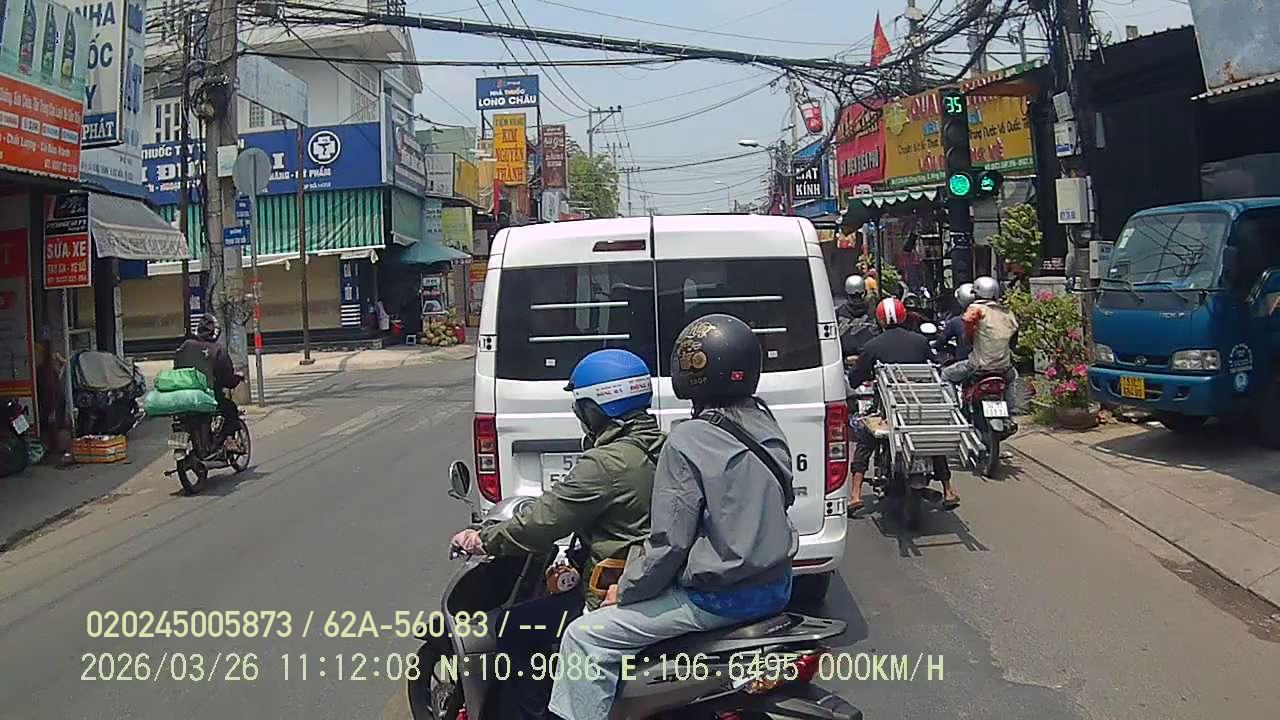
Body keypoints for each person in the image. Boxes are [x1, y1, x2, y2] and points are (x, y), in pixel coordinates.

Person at [548, 314, 797, 720]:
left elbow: (669, 544)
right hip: (777, 586)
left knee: (583, 636)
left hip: (720, 598)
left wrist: (624, 590)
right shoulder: (764, 422)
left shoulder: (686, 439)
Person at [449, 348, 663, 720]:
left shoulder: (606, 463)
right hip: (651, 581)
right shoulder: (661, 445)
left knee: (513, 627)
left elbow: (542, 523)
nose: (579, 415)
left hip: (611, 589)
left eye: (581, 406)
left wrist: (481, 538)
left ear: (597, 409)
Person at [846, 298, 958, 512]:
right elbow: (934, 364)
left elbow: (854, 379)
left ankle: (855, 495)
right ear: (904, 316)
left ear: (880, 320)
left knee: (866, 440)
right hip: (918, 408)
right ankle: (948, 489)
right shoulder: (920, 341)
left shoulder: (872, 345)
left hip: (889, 410)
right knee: (931, 440)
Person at [941, 275, 1020, 414]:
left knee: (946, 375)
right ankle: (1010, 411)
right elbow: (1014, 334)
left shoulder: (976, 308)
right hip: (1004, 367)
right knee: (1013, 378)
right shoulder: (1006, 312)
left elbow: (968, 320)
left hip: (978, 366)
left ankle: (955, 410)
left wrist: (968, 339)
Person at [174, 314, 243, 453]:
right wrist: (237, 379)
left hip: (183, 396)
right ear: (216, 333)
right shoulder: (217, 350)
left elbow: (176, 368)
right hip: (209, 396)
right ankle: (229, 440)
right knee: (230, 409)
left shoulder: (185, 346)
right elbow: (226, 378)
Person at [836, 274, 880, 357]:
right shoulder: (874, 312)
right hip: (868, 358)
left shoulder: (838, 313)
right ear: (865, 292)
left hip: (847, 359)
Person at [936, 283, 976, 362]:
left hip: (965, 362)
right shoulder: (990, 318)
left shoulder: (956, 322)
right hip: (991, 362)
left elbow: (941, 342)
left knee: (947, 370)